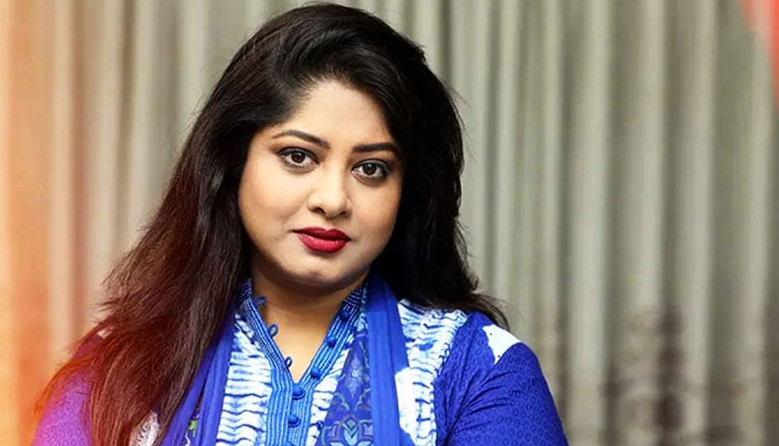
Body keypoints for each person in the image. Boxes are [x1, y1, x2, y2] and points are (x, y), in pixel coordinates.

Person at [33, 4, 568, 446]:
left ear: (407, 191)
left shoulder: (478, 372)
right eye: (298, 156)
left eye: (371, 168)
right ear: (233, 162)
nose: (333, 199)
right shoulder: (118, 366)